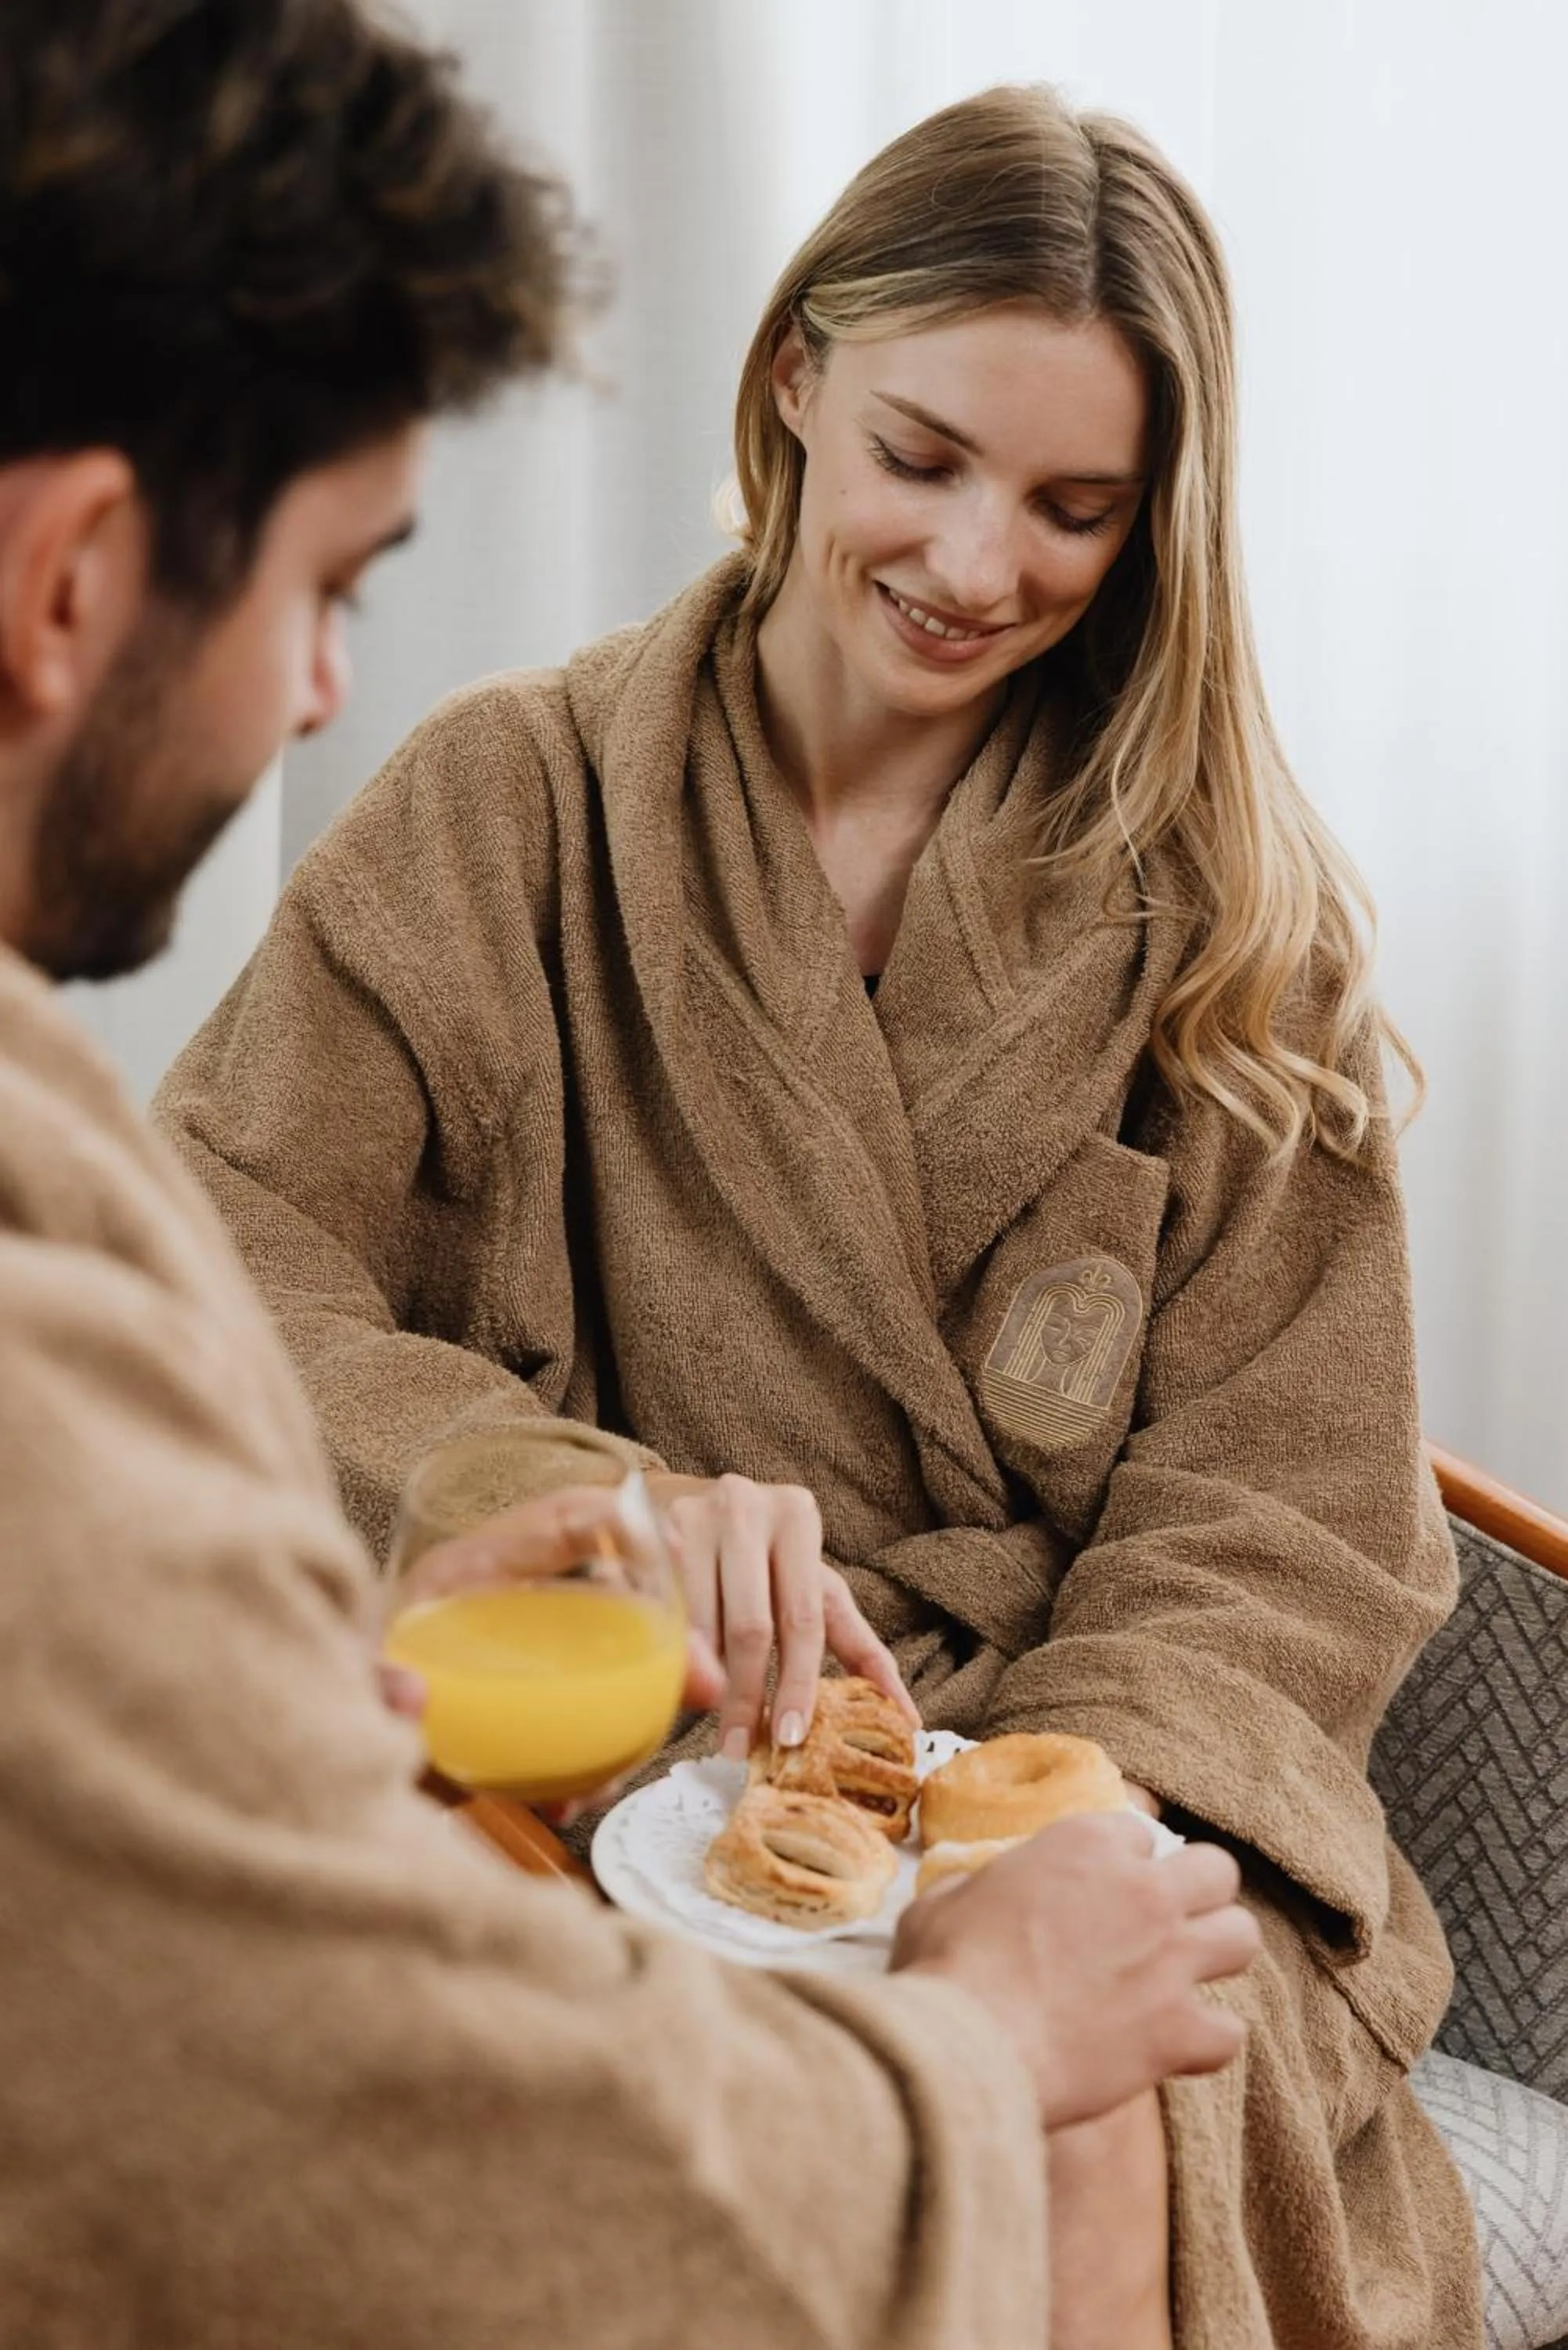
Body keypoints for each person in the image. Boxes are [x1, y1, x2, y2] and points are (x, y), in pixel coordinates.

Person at [154, 75, 1487, 2350]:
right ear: (795, 381)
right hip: (643, 1771)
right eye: (924, 460)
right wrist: (581, 1505)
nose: (984, 571)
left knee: (1083, 2076)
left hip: (1124, 1785)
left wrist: (1055, 1811)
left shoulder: (1239, 923)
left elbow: (1289, 1509)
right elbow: (209, 1255)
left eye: (1078, 507)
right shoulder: (513, 812)